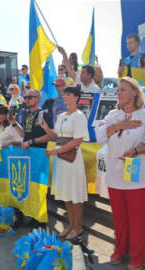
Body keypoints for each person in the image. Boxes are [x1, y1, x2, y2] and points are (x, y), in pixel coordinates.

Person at [95, 77, 145, 270]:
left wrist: (135, 151)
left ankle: (138, 257)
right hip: (115, 176)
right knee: (119, 217)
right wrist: (117, 127)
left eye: (123, 89)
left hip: (138, 177)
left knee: (138, 219)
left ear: (134, 92)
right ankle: (120, 249)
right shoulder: (113, 114)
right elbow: (99, 137)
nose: (119, 93)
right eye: (118, 90)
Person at [41, 85, 89, 241]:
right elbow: (57, 137)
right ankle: (71, 225)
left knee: (75, 194)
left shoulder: (79, 116)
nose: (65, 97)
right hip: (61, 159)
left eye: (68, 94)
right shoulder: (61, 116)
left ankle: (78, 227)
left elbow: (77, 140)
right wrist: (46, 129)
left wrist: (55, 152)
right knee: (66, 194)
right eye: (64, 94)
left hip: (72, 159)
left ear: (76, 97)